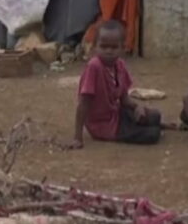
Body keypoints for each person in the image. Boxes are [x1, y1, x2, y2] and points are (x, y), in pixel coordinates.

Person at [69, 20, 163, 148]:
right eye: (103, 47)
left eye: (114, 47)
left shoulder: (119, 65)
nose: (108, 51)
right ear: (95, 47)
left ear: (123, 48)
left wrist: (136, 107)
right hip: (103, 124)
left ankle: (144, 124)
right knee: (153, 134)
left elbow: (124, 98)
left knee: (155, 116)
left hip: (117, 113)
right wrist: (77, 138)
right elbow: (84, 102)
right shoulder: (94, 67)